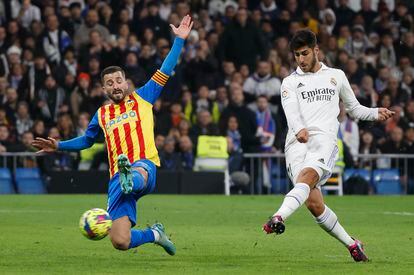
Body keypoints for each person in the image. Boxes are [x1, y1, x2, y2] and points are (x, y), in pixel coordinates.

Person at [32, 15, 194, 255]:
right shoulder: (102, 114)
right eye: (110, 83)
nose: (116, 85)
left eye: (119, 80)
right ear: (104, 89)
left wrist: (179, 40)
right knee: (120, 241)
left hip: (144, 166)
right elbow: (87, 141)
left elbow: (166, 68)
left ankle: (131, 177)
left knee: (136, 172)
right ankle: (155, 234)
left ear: (126, 83)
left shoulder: (143, 97)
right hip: (117, 179)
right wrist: (59, 145)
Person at [262, 30, 394, 262]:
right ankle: (353, 245)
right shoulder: (290, 82)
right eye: (296, 55)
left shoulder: (336, 75)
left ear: (316, 50)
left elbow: (354, 108)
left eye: (305, 53)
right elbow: (290, 110)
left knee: (307, 176)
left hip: (323, 140)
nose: (301, 60)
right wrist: (299, 129)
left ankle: (278, 217)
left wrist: (374, 112)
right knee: (313, 203)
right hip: (295, 142)